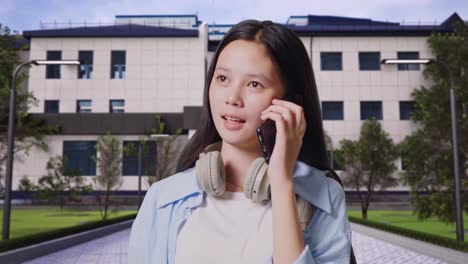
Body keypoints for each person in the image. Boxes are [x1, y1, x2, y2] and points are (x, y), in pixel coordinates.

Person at [128, 19, 352, 264]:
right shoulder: (163, 199)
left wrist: (281, 181)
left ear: (290, 104)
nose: (232, 97)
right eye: (222, 78)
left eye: (254, 84)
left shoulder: (324, 197)